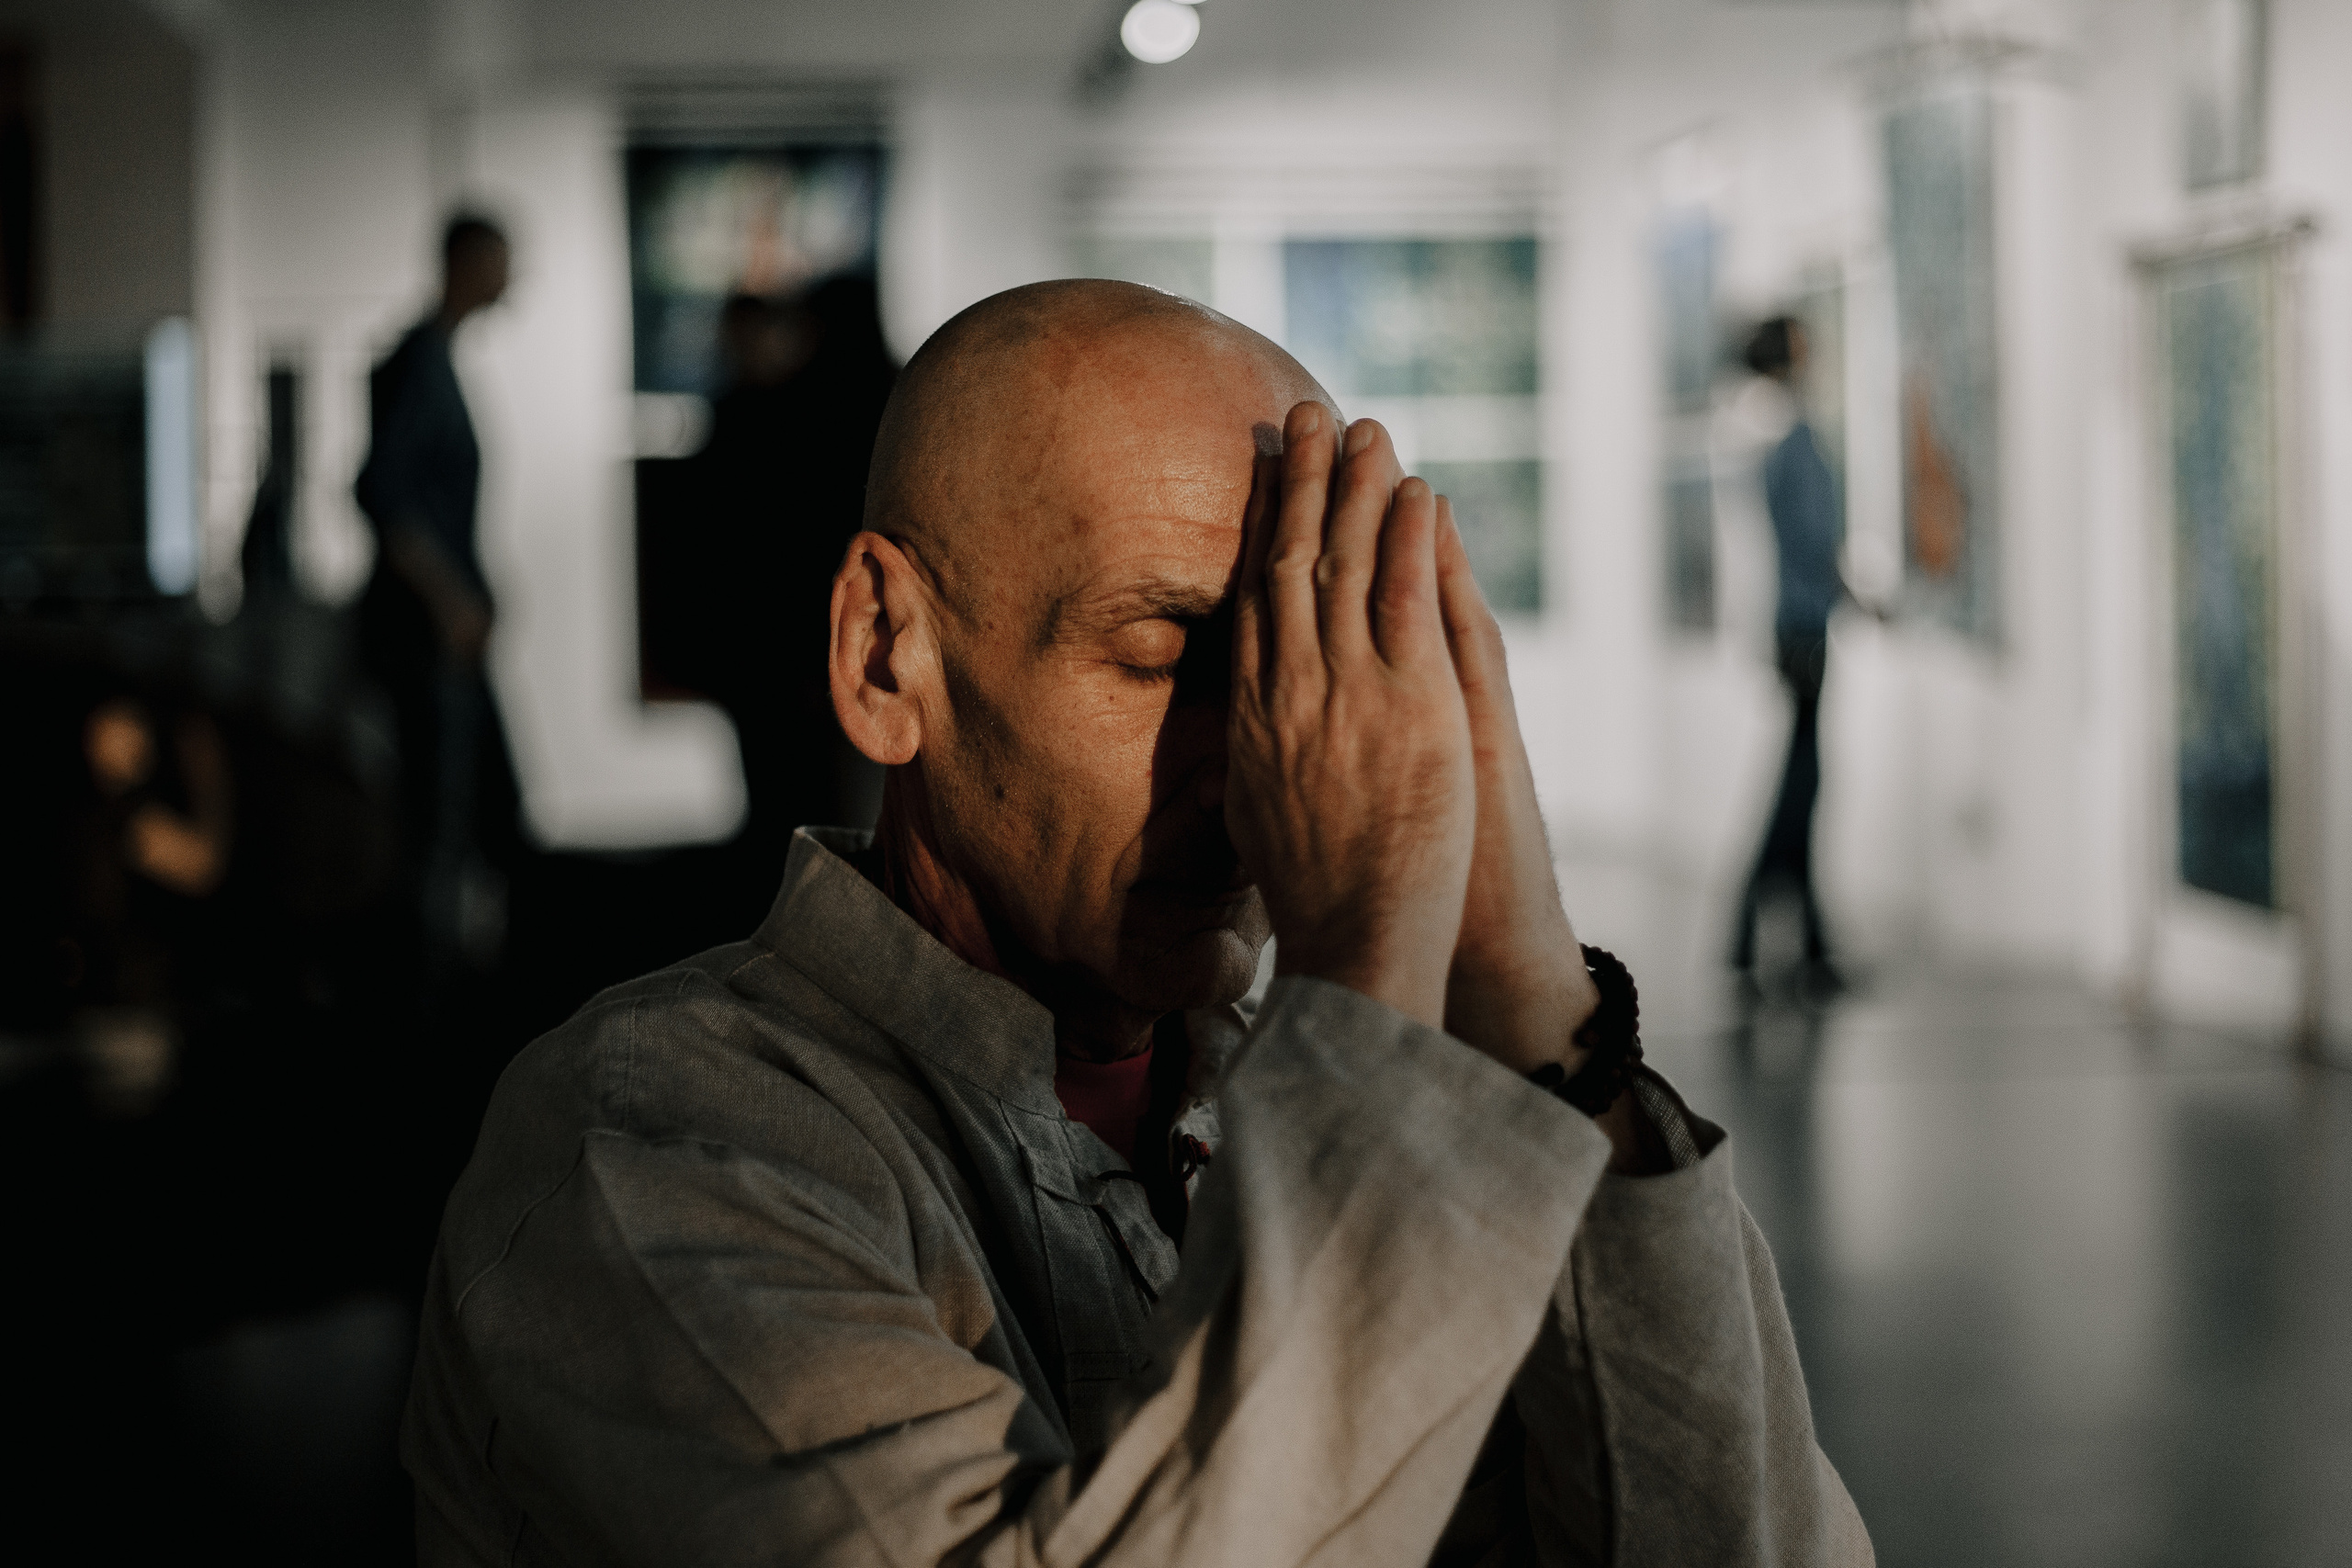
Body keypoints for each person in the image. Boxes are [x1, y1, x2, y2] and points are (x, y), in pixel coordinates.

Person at [404, 281, 1871, 1565]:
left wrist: (1526, 982)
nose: (1266, 757)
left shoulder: (1277, 1104)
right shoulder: (655, 1143)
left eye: (1300, 658)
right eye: (1167, 649)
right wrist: (1366, 969)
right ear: (885, 651)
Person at [354, 213, 518, 969]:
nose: (512, 276)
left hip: (438, 638)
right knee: (441, 826)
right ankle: (429, 1014)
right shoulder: (421, 363)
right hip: (426, 643)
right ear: (469, 261)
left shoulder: (432, 360)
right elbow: (382, 495)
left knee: (463, 820)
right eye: (503, 260)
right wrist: (450, 600)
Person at [1729, 314, 1854, 987]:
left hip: (1793, 627)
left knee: (1804, 781)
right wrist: (1848, 590)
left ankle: (1805, 944)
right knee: (1799, 787)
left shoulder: (1769, 430)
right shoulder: (1791, 436)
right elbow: (1808, 540)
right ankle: (1751, 934)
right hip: (1802, 630)